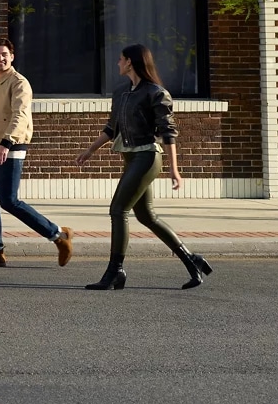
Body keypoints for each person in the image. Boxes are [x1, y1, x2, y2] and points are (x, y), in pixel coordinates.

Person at [74, 43, 213, 290]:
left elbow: (168, 132)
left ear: (130, 62)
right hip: (131, 158)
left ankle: (115, 271)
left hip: (147, 158)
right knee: (146, 216)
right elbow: (111, 128)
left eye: (121, 59)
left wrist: (174, 169)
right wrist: (90, 150)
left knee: (118, 210)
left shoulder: (156, 93)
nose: (118, 63)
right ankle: (192, 260)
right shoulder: (121, 92)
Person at [0, 37, 74, 268]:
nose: (0, 58)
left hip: (10, 148)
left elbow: (20, 115)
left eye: (4, 54)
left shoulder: (19, 83)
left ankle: (58, 235)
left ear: (12, 57)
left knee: (9, 201)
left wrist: (6, 143)